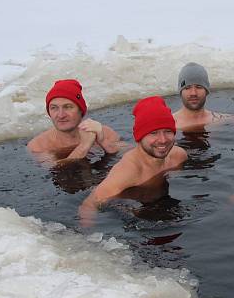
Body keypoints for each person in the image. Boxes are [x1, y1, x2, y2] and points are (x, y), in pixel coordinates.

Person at [79, 96, 187, 224]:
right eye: (153, 133)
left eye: (168, 131)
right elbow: (89, 204)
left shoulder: (178, 156)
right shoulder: (127, 172)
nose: (163, 139)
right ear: (139, 137)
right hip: (129, 207)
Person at [28, 79, 120, 165]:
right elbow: (55, 169)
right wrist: (84, 146)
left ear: (81, 110)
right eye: (54, 108)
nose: (61, 115)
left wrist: (103, 142)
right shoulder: (39, 145)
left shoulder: (104, 132)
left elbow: (130, 157)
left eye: (68, 107)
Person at [173, 62, 229, 131]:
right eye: (187, 88)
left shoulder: (222, 120)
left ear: (207, 91)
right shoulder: (169, 125)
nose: (193, 93)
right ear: (180, 92)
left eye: (199, 87)